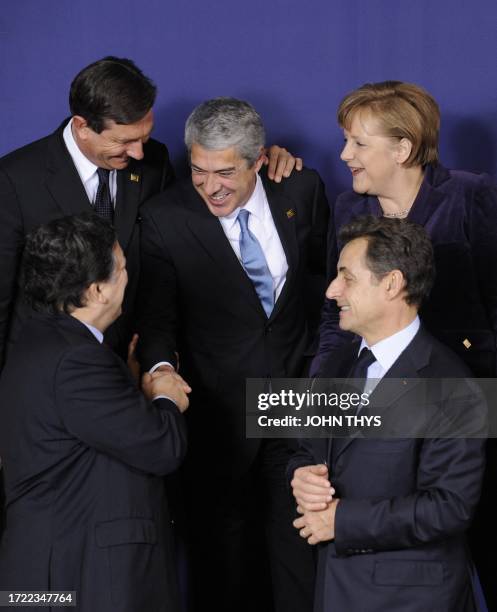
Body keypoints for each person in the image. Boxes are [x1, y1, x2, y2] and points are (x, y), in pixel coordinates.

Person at [137, 97, 329, 612]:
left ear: (259, 160)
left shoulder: (301, 190)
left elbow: (330, 289)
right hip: (219, 424)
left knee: (300, 564)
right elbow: (158, 321)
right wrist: (159, 371)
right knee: (224, 573)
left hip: (297, 414)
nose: (210, 186)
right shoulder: (164, 218)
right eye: (199, 171)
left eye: (225, 172)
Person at [312, 81, 497, 606]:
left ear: (403, 148)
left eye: (358, 144)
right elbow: (333, 319)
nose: (345, 155)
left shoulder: (471, 195)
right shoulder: (349, 206)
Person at [0, 55, 301, 370]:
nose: (138, 152)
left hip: (130, 368)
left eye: (144, 137)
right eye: (125, 141)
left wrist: (261, 165)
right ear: (83, 127)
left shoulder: (153, 162)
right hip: (49, 370)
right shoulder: (15, 180)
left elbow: (168, 259)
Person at [290, 216, 486, 612]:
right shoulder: (337, 365)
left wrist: (341, 521)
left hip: (412, 599)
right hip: (335, 589)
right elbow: (304, 451)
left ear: (392, 284)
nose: (331, 290)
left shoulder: (453, 383)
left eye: (347, 277)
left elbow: (449, 506)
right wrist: (300, 477)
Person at [0, 213, 191, 611]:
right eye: (121, 269)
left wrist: (130, 388)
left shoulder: (41, 342)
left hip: (54, 567)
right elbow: (162, 447)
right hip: (81, 575)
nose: (127, 276)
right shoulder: (76, 360)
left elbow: (91, 431)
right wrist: (165, 397)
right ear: (97, 291)